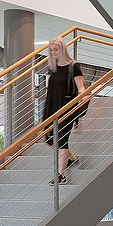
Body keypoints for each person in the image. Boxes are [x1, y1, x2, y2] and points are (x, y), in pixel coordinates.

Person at [43, 36, 86, 186]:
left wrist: (82, 96)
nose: (53, 52)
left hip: (67, 107)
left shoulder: (73, 66)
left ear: (62, 48)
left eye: (56, 49)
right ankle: (71, 158)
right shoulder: (52, 67)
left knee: (62, 140)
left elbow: (81, 87)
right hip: (51, 106)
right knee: (49, 139)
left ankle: (61, 175)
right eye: (51, 50)